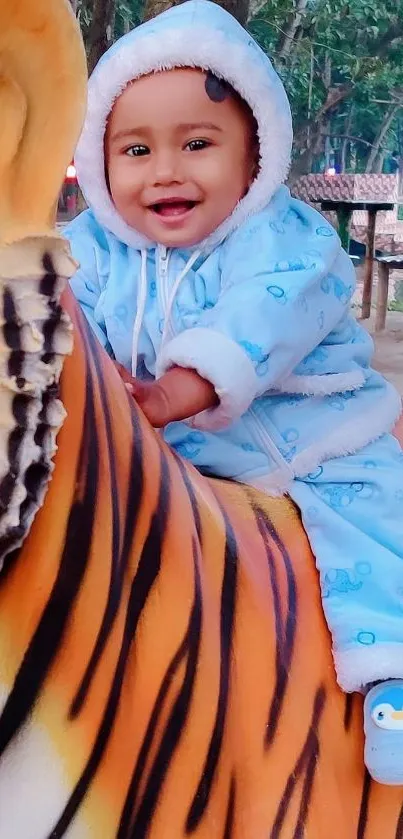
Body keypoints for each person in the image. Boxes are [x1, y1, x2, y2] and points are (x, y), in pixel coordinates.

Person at [64, 0, 403, 784]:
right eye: (136, 149)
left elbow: (263, 316)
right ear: (102, 160)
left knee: (371, 532)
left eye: (197, 144)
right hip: (176, 452)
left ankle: (390, 674)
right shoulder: (93, 247)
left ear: (255, 159)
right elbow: (51, 299)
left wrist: (168, 392)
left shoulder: (285, 239)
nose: (166, 171)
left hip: (311, 441)